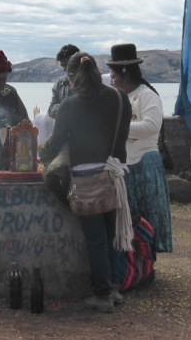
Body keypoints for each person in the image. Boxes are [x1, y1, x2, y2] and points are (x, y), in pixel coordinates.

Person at [42, 52, 132, 313]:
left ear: (71, 76)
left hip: (85, 178)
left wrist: (44, 157)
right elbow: (122, 137)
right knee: (111, 235)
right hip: (116, 174)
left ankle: (102, 294)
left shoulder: (71, 105)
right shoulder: (119, 97)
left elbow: (56, 141)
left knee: (95, 239)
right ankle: (113, 288)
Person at [107, 43, 173, 253]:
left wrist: (118, 128)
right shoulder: (118, 97)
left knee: (148, 214)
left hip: (145, 162)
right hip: (126, 164)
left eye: (114, 76)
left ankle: (148, 260)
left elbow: (152, 126)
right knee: (129, 215)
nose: (111, 80)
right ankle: (132, 261)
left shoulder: (146, 95)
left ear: (125, 75)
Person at [48, 44, 79, 119]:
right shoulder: (60, 83)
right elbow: (51, 111)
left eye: (67, 65)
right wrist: (68, 106)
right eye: (63, 66)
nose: (65, 69)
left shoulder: (91, 82)